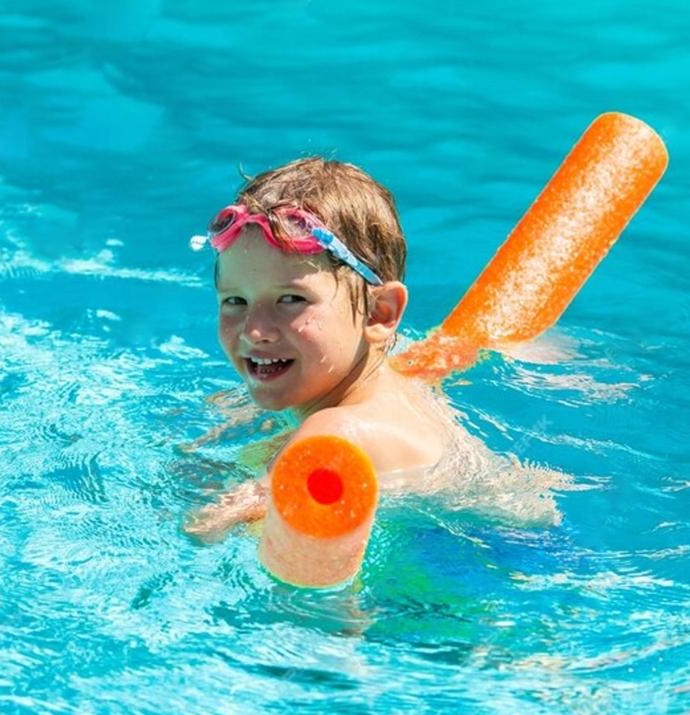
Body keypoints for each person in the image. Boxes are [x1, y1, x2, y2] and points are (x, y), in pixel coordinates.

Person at [186, 157, 562, 582]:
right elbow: (463, 348)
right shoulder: (402, 374)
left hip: (476, 570)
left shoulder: (331, 436)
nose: (256, 330)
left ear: (379, 314)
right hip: (539, 554)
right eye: (234, 301)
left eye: (291, 300)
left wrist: (194, 490)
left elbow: (210, 527)